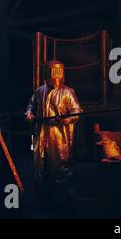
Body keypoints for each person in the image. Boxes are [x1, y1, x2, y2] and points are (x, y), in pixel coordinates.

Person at [24, 60, 82, 207]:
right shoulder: (39, 92)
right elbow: (30, 106)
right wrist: (29, 115)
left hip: (59, 136)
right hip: (40, 134)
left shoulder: (68, 92)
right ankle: (43, 199)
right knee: (40, 165)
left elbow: (77, 112)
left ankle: (64, 200)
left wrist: (64, 119)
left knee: (61, 165)